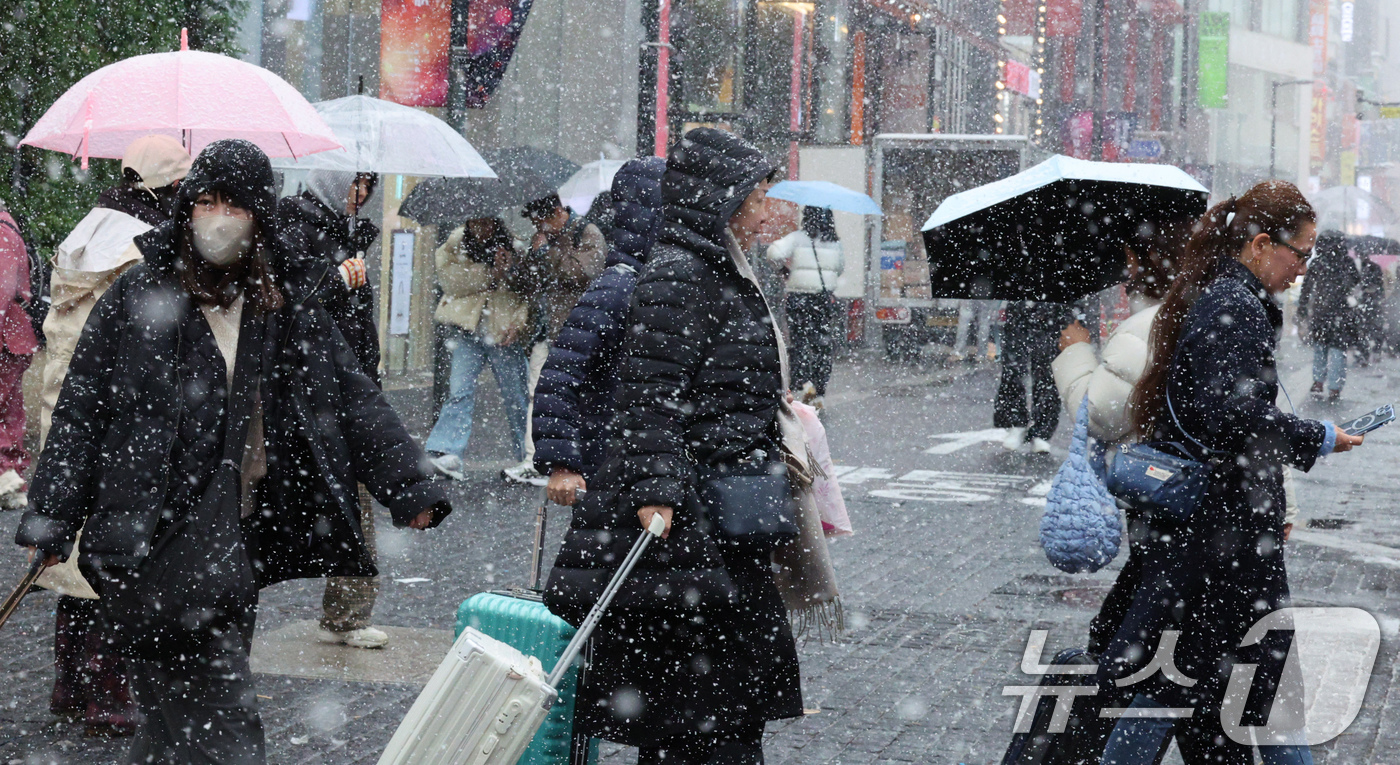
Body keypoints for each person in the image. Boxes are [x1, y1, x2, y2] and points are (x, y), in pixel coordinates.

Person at [15, 139, 450, 765]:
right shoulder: (138, 296)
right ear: (186, 207)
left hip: (236, 535)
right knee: (217, 718)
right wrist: (50, 516)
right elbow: (82, 410)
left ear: (260, 216)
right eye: (207, 202)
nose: (218, 219)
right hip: (151, 533)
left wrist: (410, 486)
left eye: (236, 206)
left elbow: (350, 394)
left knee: (174, 721)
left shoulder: (281, 302)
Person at [544, 128, 801, 764]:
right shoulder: (682, 275)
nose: (768, 208)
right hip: (690, 528)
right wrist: (657, 493)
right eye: (759, 195)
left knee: (718, 712)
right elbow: (650, 398)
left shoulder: (722, 268)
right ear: (724, 199)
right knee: (695, 714)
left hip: (726, 521)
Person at [1101, 181, 1363, 765]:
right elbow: (1230, 415)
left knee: (1185, 688)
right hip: (1222, 542)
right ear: (1262, 244)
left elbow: (1221, 413)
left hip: (1211, 540)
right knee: (1245, 696)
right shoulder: (1232, 305)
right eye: (1301, 252)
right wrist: (1316, 436)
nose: (1303, 268)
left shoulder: (1224, 298)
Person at [37, 133, 192, 737]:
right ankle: (108, 691)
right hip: (119, 417)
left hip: (67, 412)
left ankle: (70, 683)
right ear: (170, 187)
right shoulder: (142, 247)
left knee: (74, 559)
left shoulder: (87, 232)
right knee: (116, 558)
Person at [278, 169, 392, 650]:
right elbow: (290, 308)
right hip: (306, 389)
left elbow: (353, 318)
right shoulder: (295, 227)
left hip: (349, 384)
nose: (361, 195)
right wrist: (335, 279)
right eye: (354, 183)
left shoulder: (347, 231)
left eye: (369, 186)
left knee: (358, 499)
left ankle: (347, 613)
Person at [532, 156, 666, 505]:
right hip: (611, 459)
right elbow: (559, 377)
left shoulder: (639, 281)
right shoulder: (619, 286)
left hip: (632, 459)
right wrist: (562, 462)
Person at [501, 192, 606, 486]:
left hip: (575, 332)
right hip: (544, 333)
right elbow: (526, 283)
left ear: (558, 212)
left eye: (541, 221)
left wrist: (547, 252)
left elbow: (582, 271)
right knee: (539, 395)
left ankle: (573, 460)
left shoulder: (588, 233)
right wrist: (515, 264)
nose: (539, 228)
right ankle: (534, 460)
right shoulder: (542, 239)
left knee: (572, 398)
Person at [424, 217, 533, 479]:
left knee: (517, 396)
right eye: (476, 224)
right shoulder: (455, 244)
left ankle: (530, 456)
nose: (481, 230)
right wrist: (488, 273)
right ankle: (446, 452)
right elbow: (451, 283)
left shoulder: (515, 248)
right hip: (467, 328)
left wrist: (510, 272)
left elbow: (528, 292)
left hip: (502, 330)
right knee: (459, 391)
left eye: (487, 224)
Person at [767, 205, 845, 404]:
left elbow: (773, 252)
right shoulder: (835, 243)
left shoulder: (798, 238)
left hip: (799, 299)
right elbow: (839, 268)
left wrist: (784, 270)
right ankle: (819, 391)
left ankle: (803, 383)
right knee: (822, 346)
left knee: (800, 342)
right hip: (824, 299)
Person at [995, 299, 1071, 452]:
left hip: (1051, 317)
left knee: (1046, 375)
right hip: (1019, 315)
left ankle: (1041, 432)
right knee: (1013, 370)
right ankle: (1016, 424)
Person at [0, 200, 36, 510]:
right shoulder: (8, 225)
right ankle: (9, 480)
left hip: (6, 337)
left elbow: (2, 289)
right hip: (12, 336)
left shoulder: (1, 231)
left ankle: (7, 479)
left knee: (7, 411)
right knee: (10, 411)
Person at [1296, 231, 1358, 401]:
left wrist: (1302, 307)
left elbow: (1306, 287)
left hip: (1321, 312)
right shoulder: (1347, 262)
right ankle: (1335, 387)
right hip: (1341, 312)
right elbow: (1356, 281)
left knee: (1320, 348)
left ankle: (1318, 382)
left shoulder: (1317, 263)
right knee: (1338, 351)